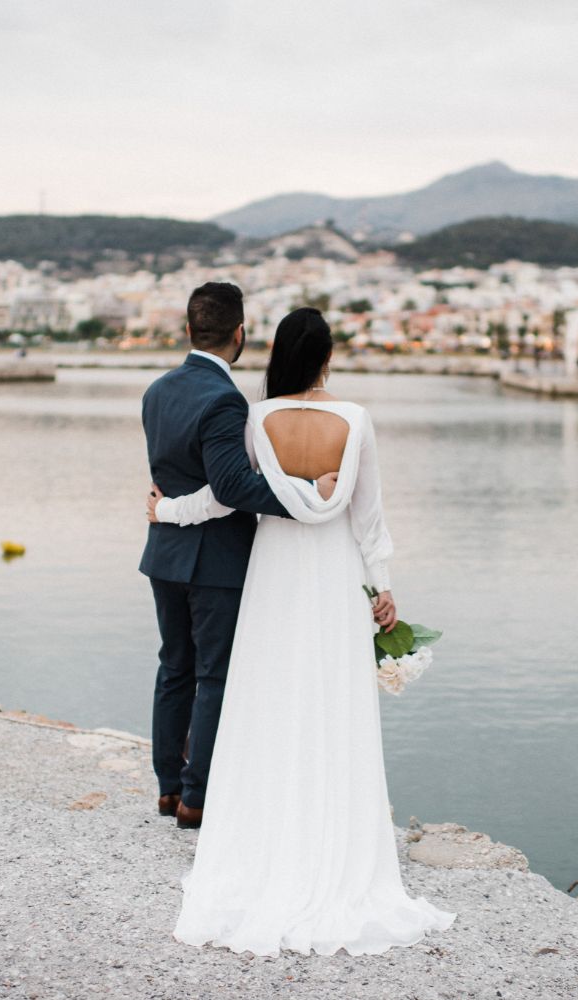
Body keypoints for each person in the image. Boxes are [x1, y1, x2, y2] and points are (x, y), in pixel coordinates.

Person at [146, 307, 455, 957]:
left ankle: (265, 843)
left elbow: (228, 496)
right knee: (333, 706)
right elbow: (369, 517)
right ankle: (334, 844)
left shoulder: (257, 418)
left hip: (276, 576)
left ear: (279, 353)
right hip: (336, 577)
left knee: (270, 704)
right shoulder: (357, 420)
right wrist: (384, 585)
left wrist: (167, 509)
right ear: (329, 356)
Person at [140, 283, 323, 831]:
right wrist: (308, 494)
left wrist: (168, 511)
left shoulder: (157, 391)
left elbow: (174, 474)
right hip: (214, 563)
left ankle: (169, 790)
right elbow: (230, 487)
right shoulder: (224, 399)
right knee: (214, 678)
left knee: (174, 669)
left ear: (189, 331)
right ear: (240, 334)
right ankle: (197, 799)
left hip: (164, 557)